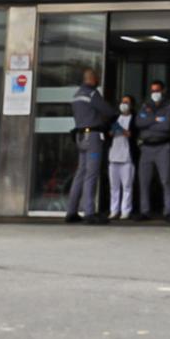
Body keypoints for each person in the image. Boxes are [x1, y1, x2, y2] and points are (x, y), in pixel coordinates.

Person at [65, 69, 113, 224]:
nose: (98, 80)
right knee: (91, 174)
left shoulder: (76, 95)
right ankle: (89, 212)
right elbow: (108, 111)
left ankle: (71, 211)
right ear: (92, 79)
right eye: (97, 78)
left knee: (80, 173)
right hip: (93, 137)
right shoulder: (92, 94)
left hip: (81, 136)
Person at [134, 81, 170, 222]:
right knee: (144, 180)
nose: (155, 93)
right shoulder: (145, 105)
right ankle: (144, 211)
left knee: (166, 180)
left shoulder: (169, 106)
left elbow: (166, 126)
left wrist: (149, 122)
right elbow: (138, 123)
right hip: (146, 147)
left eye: (157, 90)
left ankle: (168, 211)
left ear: (163, 90)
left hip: (163, 147)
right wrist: (156, 119)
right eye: (152, 90)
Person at [107, 96, 136, 220]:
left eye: (126, 102)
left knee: (127, 186)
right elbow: (108, 134)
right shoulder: (114, 118)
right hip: (113, 156)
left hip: (127, 157)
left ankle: (125, 210)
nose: (123, 104)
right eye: (122, 102)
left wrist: (121, 129)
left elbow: (132, 135)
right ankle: (114, 210)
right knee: (114, 186)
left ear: (131, 105)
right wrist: (113, 130)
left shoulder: (134, 119)